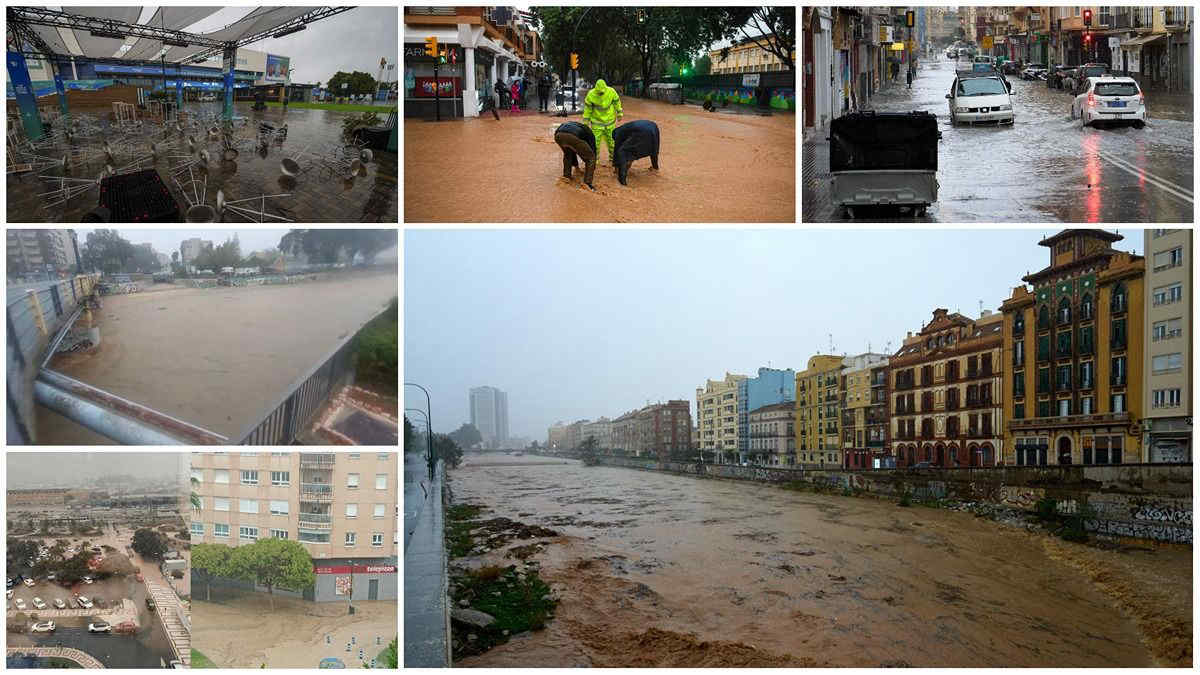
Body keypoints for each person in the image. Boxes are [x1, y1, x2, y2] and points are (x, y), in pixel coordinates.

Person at [582, 78, 622, 164]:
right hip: (597, 123)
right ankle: (595, 160)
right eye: (599, 92)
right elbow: (587, 109)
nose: (601, 93)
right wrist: (585, 121)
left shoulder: (611, 91)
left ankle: (613, 158)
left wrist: (619, 112)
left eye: (602, 92)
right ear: (596, 89)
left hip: (610, 122)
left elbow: (617, 102)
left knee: (612, 142)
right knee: (595, 143)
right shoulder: (591, 95)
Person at [612, 120, 659, 186]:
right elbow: (653, 150)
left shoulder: (618, 133)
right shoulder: (625, 129)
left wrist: (616, 167)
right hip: (653, 127)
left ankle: (622, 181)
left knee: (622, 152)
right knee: (654, 147)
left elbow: (617, 151)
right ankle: (655, 168)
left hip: (642, 130)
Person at [553, 121, 597, 190]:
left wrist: (576, 166)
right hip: (572, 136)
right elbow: (592, 151)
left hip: (558, 135)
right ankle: (587, 184)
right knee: (591, 158)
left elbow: (573, 150)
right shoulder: (590, 134)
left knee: (568, 154)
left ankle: (566, 176)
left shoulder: (576, 125)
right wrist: (593, 166)